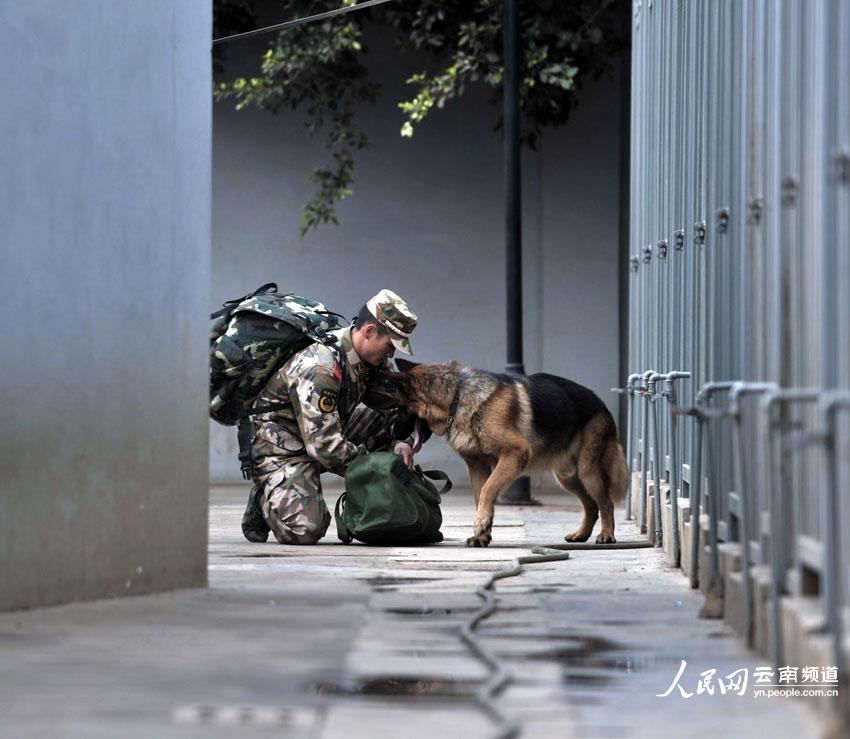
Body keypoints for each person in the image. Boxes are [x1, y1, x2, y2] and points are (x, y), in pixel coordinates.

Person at [241, 288, 425, 544]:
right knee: (306, 530)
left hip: (322, 431)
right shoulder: (321, 366)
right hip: (282, 447)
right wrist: (377, 468)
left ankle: (282, 487)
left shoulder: (371, 360)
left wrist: (400, 441)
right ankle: (266, 493)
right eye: (390, 345)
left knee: (395, 410)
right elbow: (325, 448)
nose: (392, 354)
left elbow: (394, 405)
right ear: (370, 331)